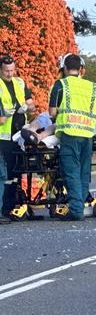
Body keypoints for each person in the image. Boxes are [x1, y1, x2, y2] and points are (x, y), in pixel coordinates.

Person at [49, 54, 96, 221]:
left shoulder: (60, 85)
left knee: (71, 172)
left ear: (64, 68)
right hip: (88, 135)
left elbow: (52, 112)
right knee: (84, 172)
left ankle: (76, 210)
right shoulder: (92, 86)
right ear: (80, 69)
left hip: (70, 134)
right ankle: (81, 205)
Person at [0, 55, 34, 223]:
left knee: (16, 173)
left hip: (19, 135)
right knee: (4, 174)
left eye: (12, 70)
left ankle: (12, 205)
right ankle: (4, 208)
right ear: (1, 70)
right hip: (3, 136)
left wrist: (26, 107)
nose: (9, 74)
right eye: (6, 71)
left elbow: (31, 102)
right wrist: (4, 114)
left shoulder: (20, 82)